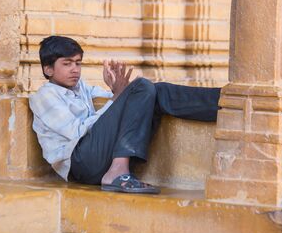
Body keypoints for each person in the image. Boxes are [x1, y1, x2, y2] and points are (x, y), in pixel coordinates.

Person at [29, 36, 221, 194]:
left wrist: (117, 91)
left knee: (157, 91)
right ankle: (117, 172)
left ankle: (223, 103)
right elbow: (76, 131)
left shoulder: (81, 88)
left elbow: (121, 103)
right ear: (48, 69)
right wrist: (118, 97)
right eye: (67, 63)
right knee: (142, 86)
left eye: (78, 63)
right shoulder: (44, 96)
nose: (75, 69)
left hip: (98, 156)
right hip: (80, 165)